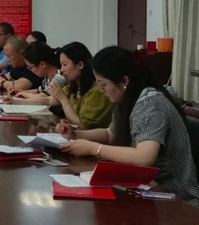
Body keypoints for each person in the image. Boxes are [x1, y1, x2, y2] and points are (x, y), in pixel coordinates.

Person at [58, 46, 199, 207]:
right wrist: (76, 134)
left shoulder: (150, 103)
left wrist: (93, 148)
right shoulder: (127, 98)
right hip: (147, 187)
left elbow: (144, 157)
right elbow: (110, 134)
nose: (101, 91)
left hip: (176, 199)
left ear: (124, 81)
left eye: (103, 85)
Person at [48, 42, 114, 129]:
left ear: (80, 65)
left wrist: (63, 100)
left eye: (64, 65)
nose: (61, 70)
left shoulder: (98, 91)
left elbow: (82, 127)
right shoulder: (74, 85)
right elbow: (50, 100)